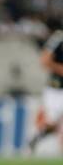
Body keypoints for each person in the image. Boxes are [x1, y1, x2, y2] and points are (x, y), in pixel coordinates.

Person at [29, 25, 63, 153]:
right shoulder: (59, 38)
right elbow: (44, 60)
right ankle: (36, 138)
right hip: (57, 88)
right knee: (52, 122)